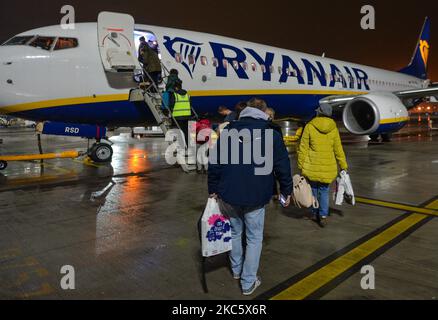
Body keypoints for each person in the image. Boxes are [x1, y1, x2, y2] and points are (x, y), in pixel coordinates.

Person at [208, 97, 293, 296]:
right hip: (256, 195)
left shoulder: (228, 131)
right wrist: (286, 191)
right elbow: (283, 167)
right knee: (254, 238)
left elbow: (215, 163)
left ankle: (236, 271)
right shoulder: (271, 133)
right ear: (264, 112)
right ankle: (248, 282)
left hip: (228, 193)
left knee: (235, 233)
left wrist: (213, 187)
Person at [297, 103, 348, 226]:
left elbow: (303, 147)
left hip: (312, 165)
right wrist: (343, 165)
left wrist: (300, 165)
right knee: (324, 191)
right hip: (328, 166)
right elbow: (338, 148)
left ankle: (314, 212)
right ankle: (323, 214)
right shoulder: (333, 128)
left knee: (313, 189)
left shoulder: (310, 126)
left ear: (318, 112)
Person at [169, 81, 193, 149]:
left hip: (178, 117)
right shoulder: (188, 95)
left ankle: (181, 147)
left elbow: (171, 105)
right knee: (186, 132)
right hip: (187, 117)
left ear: (176, 87)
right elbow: (190, 105)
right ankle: (188, 147)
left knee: (178, 133)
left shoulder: (175, 95)